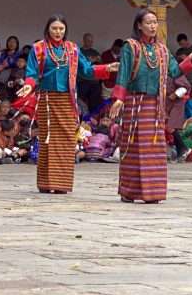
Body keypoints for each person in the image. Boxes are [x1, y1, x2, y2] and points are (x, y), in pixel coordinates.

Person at [108, 9, 192, 203]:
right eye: (149, 22)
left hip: (155, 104)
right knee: (134, 146)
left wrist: (191, 58)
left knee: (153, 148)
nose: (153, 26)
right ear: (139, 25)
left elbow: (174, 71)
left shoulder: (162, 50)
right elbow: (123, 72)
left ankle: (153, 192)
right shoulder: (131, 47)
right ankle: (130, 191)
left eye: (155, 22)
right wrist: (119, 98)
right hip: (135, 102)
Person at [17, 15, 117, 194]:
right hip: (47, 100)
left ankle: (61, 183)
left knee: (66, 139)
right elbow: (31, 73)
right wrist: (28, 86)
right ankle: (47, 183)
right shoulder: (39, 48)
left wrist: (107, 68)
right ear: (48, 29)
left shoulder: (72, 49)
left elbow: (86, 70)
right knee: (49, 141)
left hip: (67, 100)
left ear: (65, 30)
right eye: (54, 28)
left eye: (61, 29)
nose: (57, 32)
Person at [78, 33, 103, 112]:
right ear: (84, 40)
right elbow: (81, 64)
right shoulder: (80, 51)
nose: (90, 43)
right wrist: (91, 60)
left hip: (94, 82)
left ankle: (92, 121)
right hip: (82, 81)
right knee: (81, 103)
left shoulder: (95, 52)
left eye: (92, 41)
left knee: (95, 104)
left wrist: (96, 59)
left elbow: (100, 64)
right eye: (89, 41)